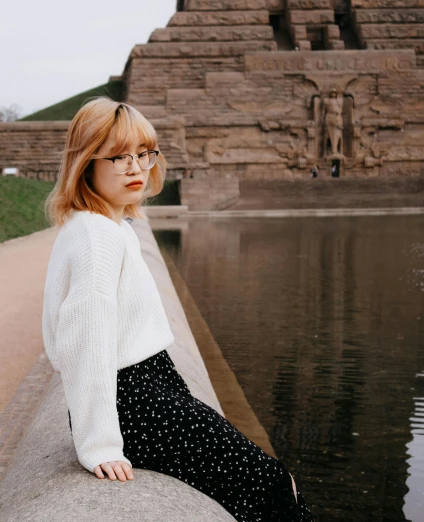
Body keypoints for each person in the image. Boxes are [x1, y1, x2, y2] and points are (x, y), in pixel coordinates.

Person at [42, 98, 314, 521]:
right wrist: (98, 444)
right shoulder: (98, 237)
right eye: (118, 157)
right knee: (273, 484)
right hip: (133, 400)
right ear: (86, 163)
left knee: (267, 482)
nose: (136, 168)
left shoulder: (105, 225)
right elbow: (86, 342)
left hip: (149, 388)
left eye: (143, 154)